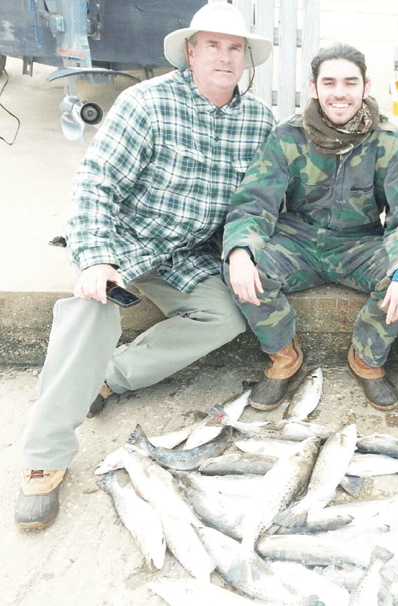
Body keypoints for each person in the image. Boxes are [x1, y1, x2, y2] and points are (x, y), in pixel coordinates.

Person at [15, 2, 276, 530]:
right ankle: (45, 455)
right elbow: (96, 183)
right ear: (190, 51)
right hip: (126, 240)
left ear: (245, 58)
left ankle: (110, 378)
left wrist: (245, 247)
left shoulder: (259, 120)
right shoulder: (145, 103)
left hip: (187, 253)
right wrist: (97, 258)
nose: (225, 57)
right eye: (213, 45)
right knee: (91, 308)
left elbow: (259, 201)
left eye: (235, 48)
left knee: (225, 316)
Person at [223, 43, 398, 412]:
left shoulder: (388, 142)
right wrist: (241, 251)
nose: (340, 92)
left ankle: (367, 358)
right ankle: (284, 356)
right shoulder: (287, 136)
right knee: (241, 268)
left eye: (350, 83)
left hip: (359, 246)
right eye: (330, 82)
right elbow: (256, 202)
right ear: (314, 87)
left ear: (365, 88)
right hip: (297, 242)